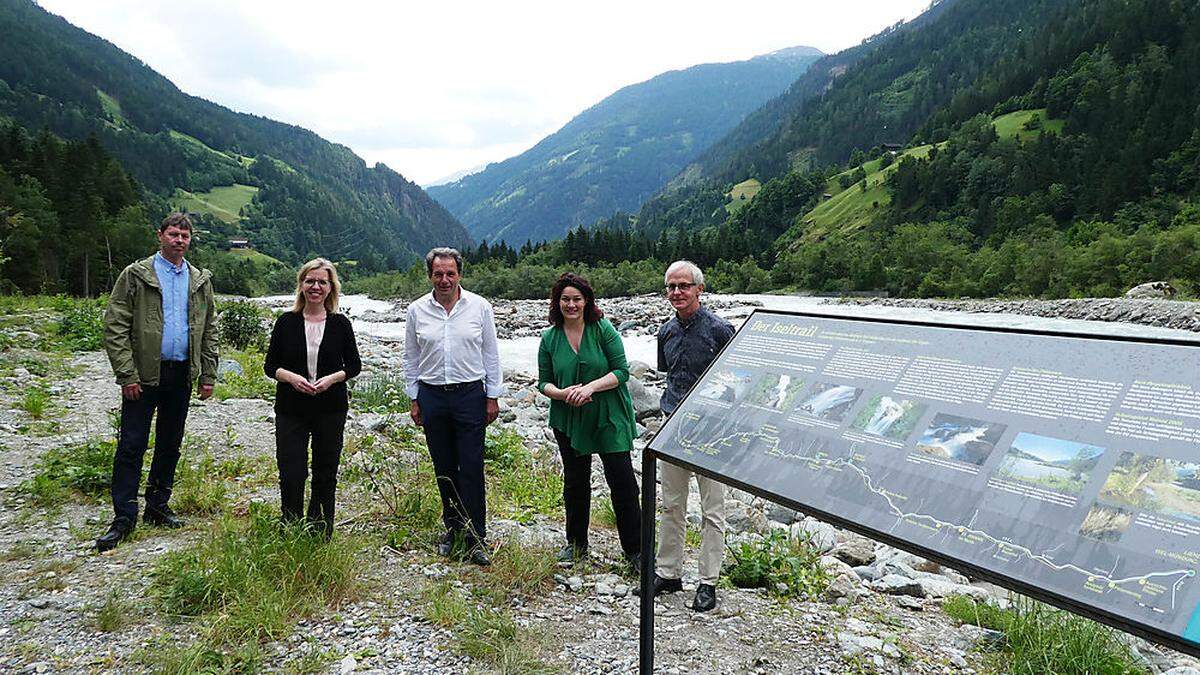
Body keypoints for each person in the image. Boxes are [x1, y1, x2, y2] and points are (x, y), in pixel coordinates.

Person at [97, 212, 218, 552]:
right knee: (131, 445)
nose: (179, 240)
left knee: (170, 443)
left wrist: (208, 374)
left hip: (181, 372)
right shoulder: (137, 275)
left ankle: (157, 506)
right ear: (160, 235)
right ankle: (123, 517)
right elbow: (115, 325)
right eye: (173, 234)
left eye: (185, 236)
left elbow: (209, 328)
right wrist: (126, 374)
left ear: (190, 240)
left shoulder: (199, 280)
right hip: (143, 374)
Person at [644, 260, 735, 611]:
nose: (677, 293)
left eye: (683, 286)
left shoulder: (719, 329)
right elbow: (668, 375)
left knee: (713, 507)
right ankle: (669, 572)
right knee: (672, 503)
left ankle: (708, 581)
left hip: (712, 429)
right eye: (671, 287)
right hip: (672, 423)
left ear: (699, 289)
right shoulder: (665, 331)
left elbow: (735, 380)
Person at [403, 247, 502, 566]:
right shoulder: (417, 310)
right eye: (438, 274)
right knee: (443, 466)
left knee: (471, 466)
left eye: (450, 273)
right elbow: (411, 357)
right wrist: (414, 397)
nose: (444, 279)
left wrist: (492, 395)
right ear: (429, 275)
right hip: (432, 395)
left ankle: (476, 537)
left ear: (459, 273)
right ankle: (453, 529)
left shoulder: (480, 307)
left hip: (470, 394)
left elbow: (491, 354)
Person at [537, 272, 642, 567]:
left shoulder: (603, 328)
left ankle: (635, 551)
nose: (571, 304)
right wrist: (560, 393)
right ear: (557, 303)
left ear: (587, 301)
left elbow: (622, 371)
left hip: (609, 413)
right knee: (575, 482)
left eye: (577, 299)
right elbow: (543, 382)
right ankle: (576, 545)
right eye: (565, 299)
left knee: (622, 481)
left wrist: (590, 388)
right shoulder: (549, 337)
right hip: (568, 416)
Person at [263, 258, 361, 538]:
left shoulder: (341, 324)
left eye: (322, 282)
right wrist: (292, 378)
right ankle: (290, 525)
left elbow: (354, 366)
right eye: (310, 281)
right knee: (291, 469)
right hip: (291, 407)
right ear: (301, 285)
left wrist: (331, 379)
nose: (315, 286)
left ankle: (320, 531)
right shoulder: (286, 322)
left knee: (325, 469)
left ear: (331, 288)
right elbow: (271, 366)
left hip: (330, 408)